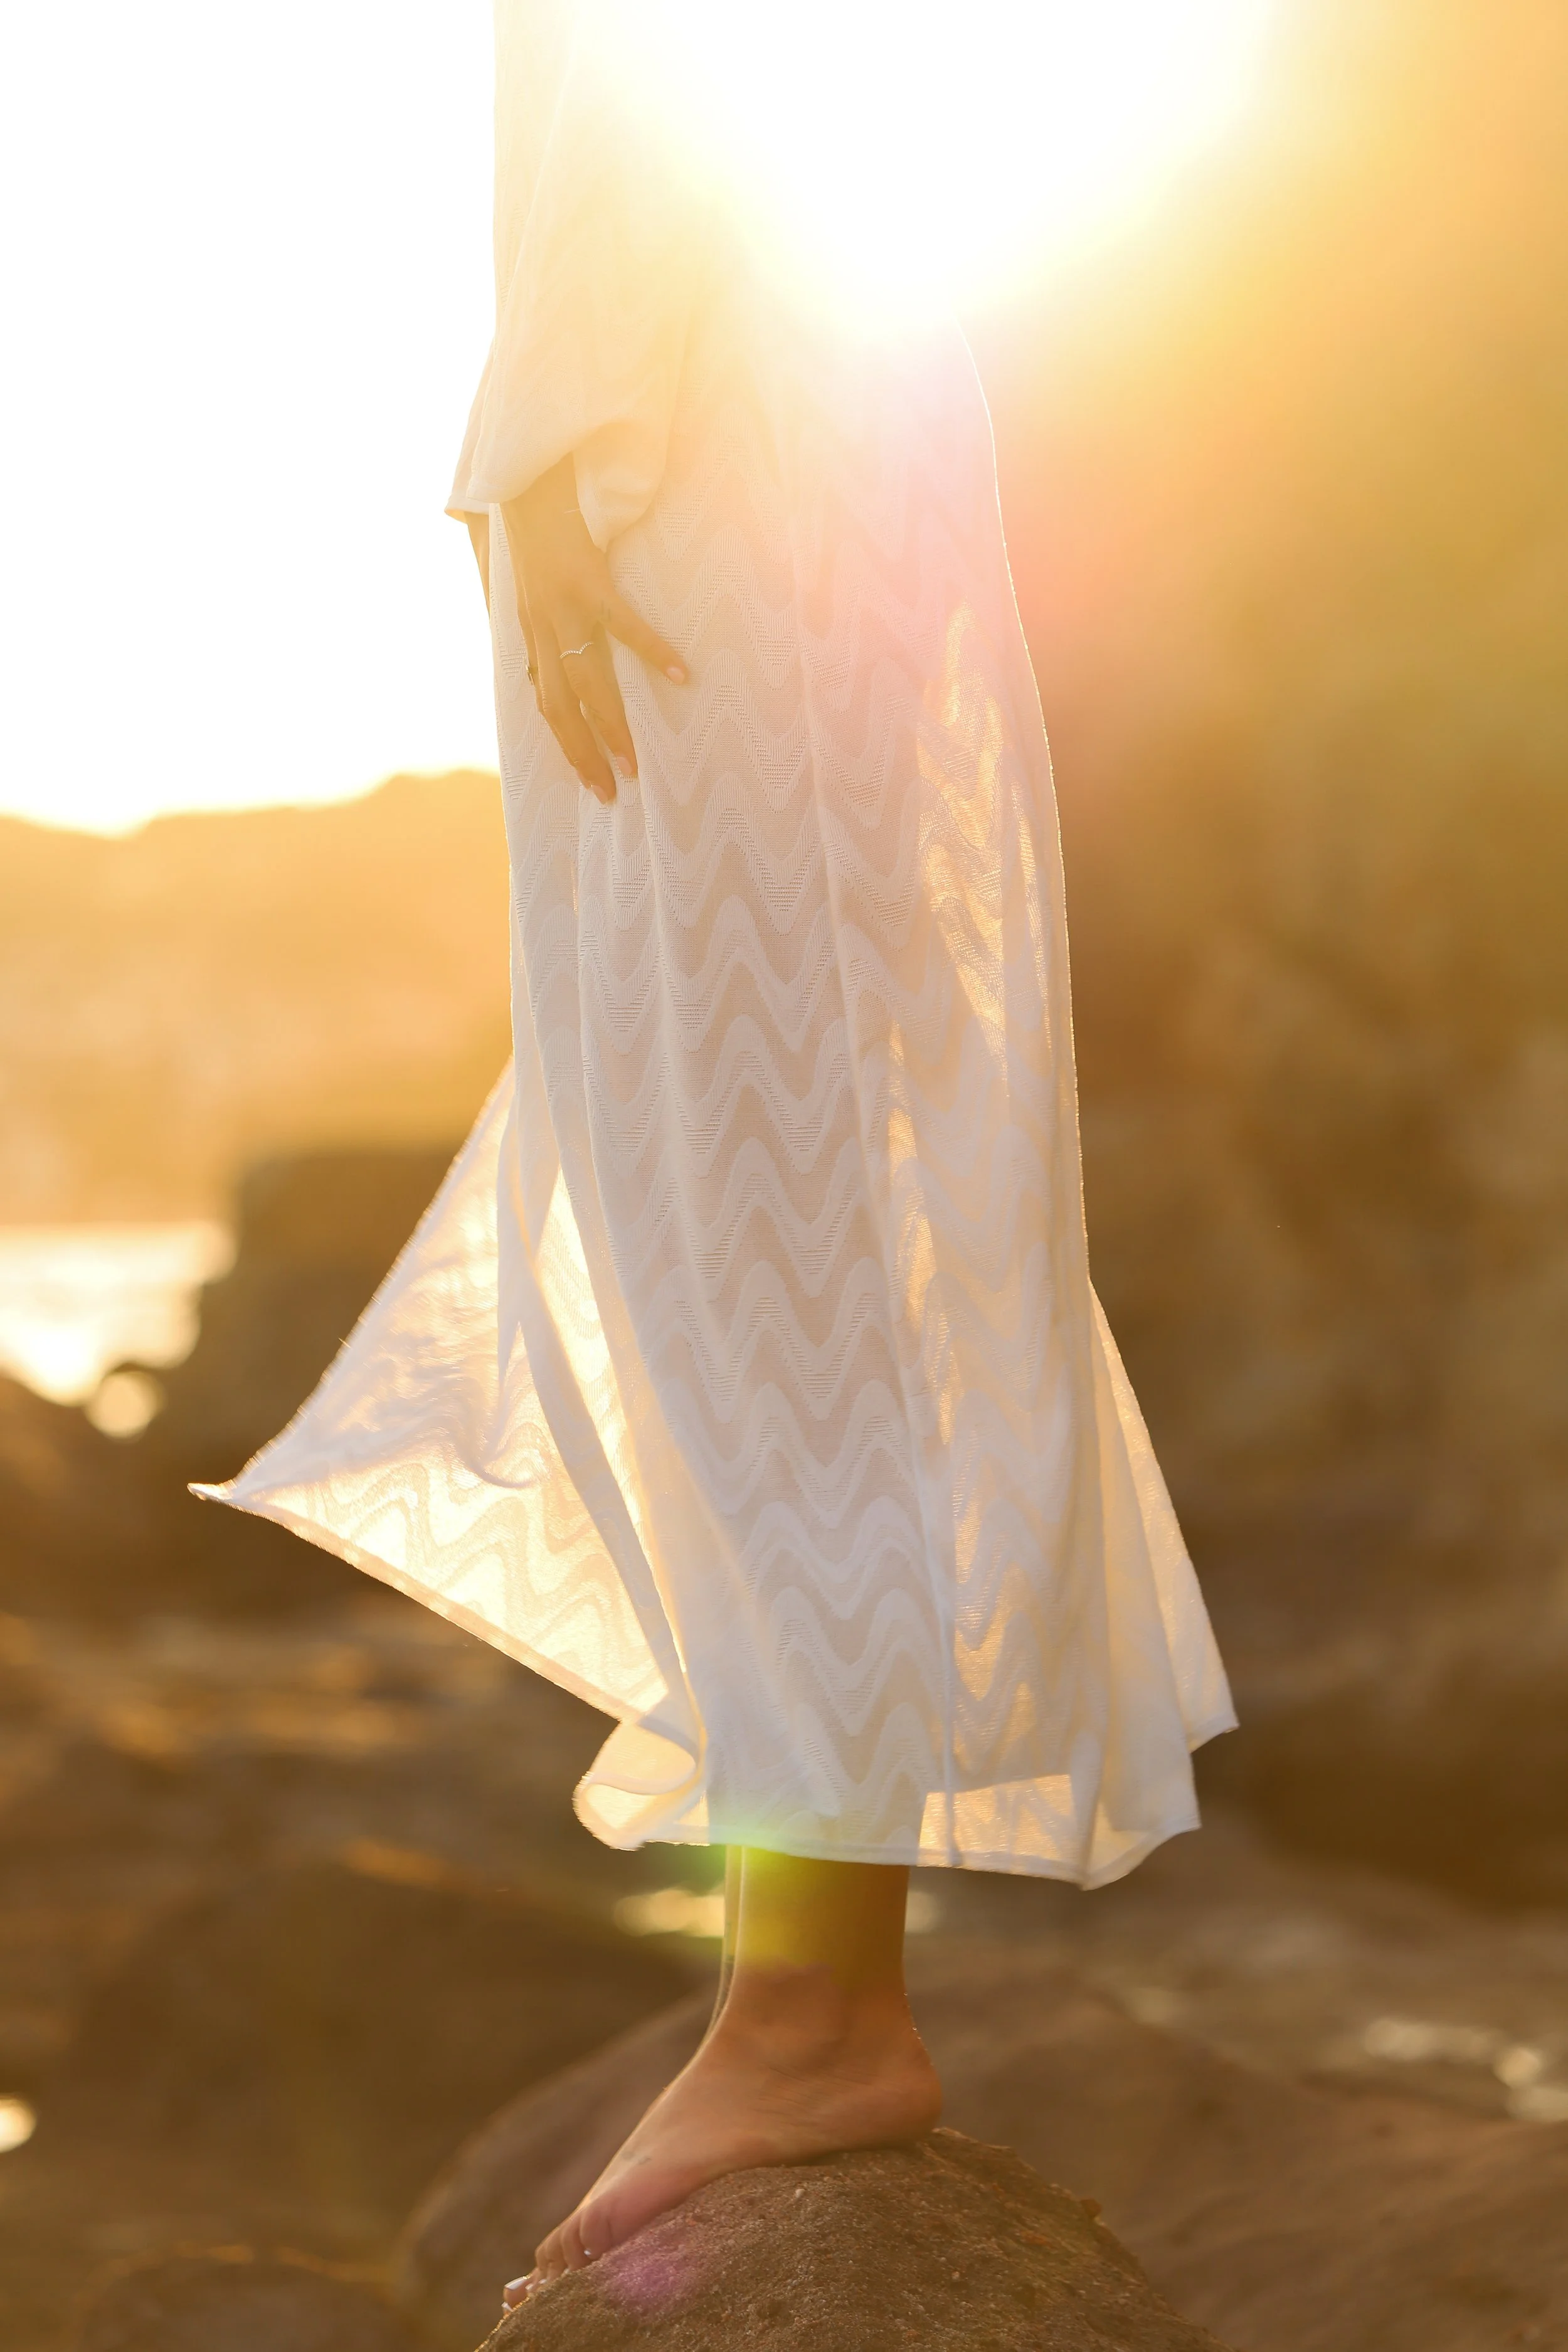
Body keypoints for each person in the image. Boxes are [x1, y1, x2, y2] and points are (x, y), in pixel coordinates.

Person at [199, 0, 1234, 2304]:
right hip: (739, 410)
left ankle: (808, 2009)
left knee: (757, 1217)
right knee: (765, 1205)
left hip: (696, 443)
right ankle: (809, 1987)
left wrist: (555, 437)